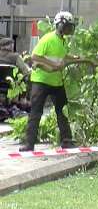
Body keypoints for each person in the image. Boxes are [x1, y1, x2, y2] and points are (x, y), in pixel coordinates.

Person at [21, 11, 93, 151]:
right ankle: (29, 144)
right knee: (36, 112)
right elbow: (35, 56)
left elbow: (63, 56)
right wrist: (52, 65)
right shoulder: (48, 39)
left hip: (57, 82)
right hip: (41, 81)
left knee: (63, 112)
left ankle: (66, 141)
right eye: (67, 26)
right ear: (60, 25)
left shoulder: (63, 41)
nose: (69, 30)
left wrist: (77, 58)